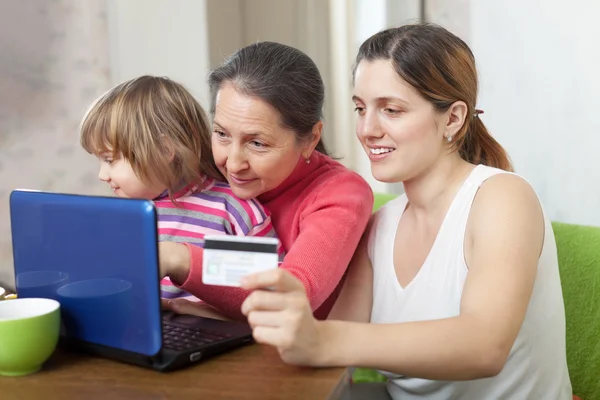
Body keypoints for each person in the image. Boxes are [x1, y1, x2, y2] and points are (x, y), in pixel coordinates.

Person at [239, 23, 573, 399]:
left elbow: (484, 345)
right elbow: (323, 352)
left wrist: (323, 338)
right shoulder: (379, 226)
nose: (366, 129)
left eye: (391, 110)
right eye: (360, 108)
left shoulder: (503, 198)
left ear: (453, 118)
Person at [159, 42, 374, 321]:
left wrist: (181, 259)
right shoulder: (204, 176)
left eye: (257, 143)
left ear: (310, 139)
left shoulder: (341, 193)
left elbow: (293, 293)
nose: (233, 163)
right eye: (222, 134)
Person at [79, 75, 283, 302]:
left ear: (165, 150)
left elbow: (274, 286)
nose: (102, 175)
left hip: (220, 331)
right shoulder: (127, 216)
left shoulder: (233, 208)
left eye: (110, 160)